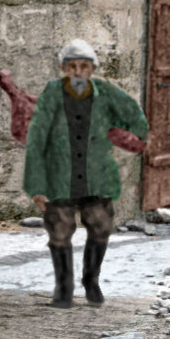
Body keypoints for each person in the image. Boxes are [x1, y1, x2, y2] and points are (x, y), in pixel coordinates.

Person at [23, 39, 149, 308]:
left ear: (92, 69)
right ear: (64, 69)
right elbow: (36, 140)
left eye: (85, 66)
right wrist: (36, 187)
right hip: (60, 179)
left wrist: (145, 135)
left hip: (96, 177)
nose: (79, 72)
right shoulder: (52, 94)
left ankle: (91, 281)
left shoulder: (105, 92)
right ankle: (64, 289)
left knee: (101, 227)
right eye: (73, 67)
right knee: (59, 231)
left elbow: (132, 113)